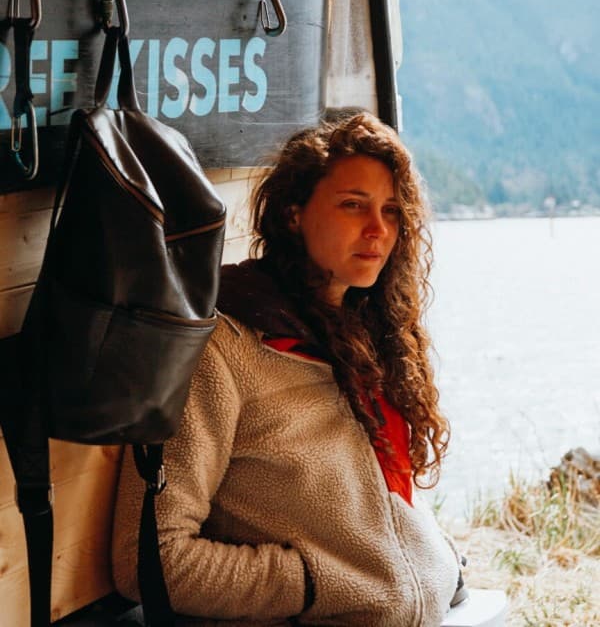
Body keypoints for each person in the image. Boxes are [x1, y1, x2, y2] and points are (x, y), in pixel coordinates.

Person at [112, 111, 462, 626]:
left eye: (392, 211)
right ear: (294, 214)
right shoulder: (226, 349)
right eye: (353, 205)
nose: (377, 230)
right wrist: (310, 583)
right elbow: (150, 561)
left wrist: (438, 561)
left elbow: (374, 509)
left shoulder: (363, 337)